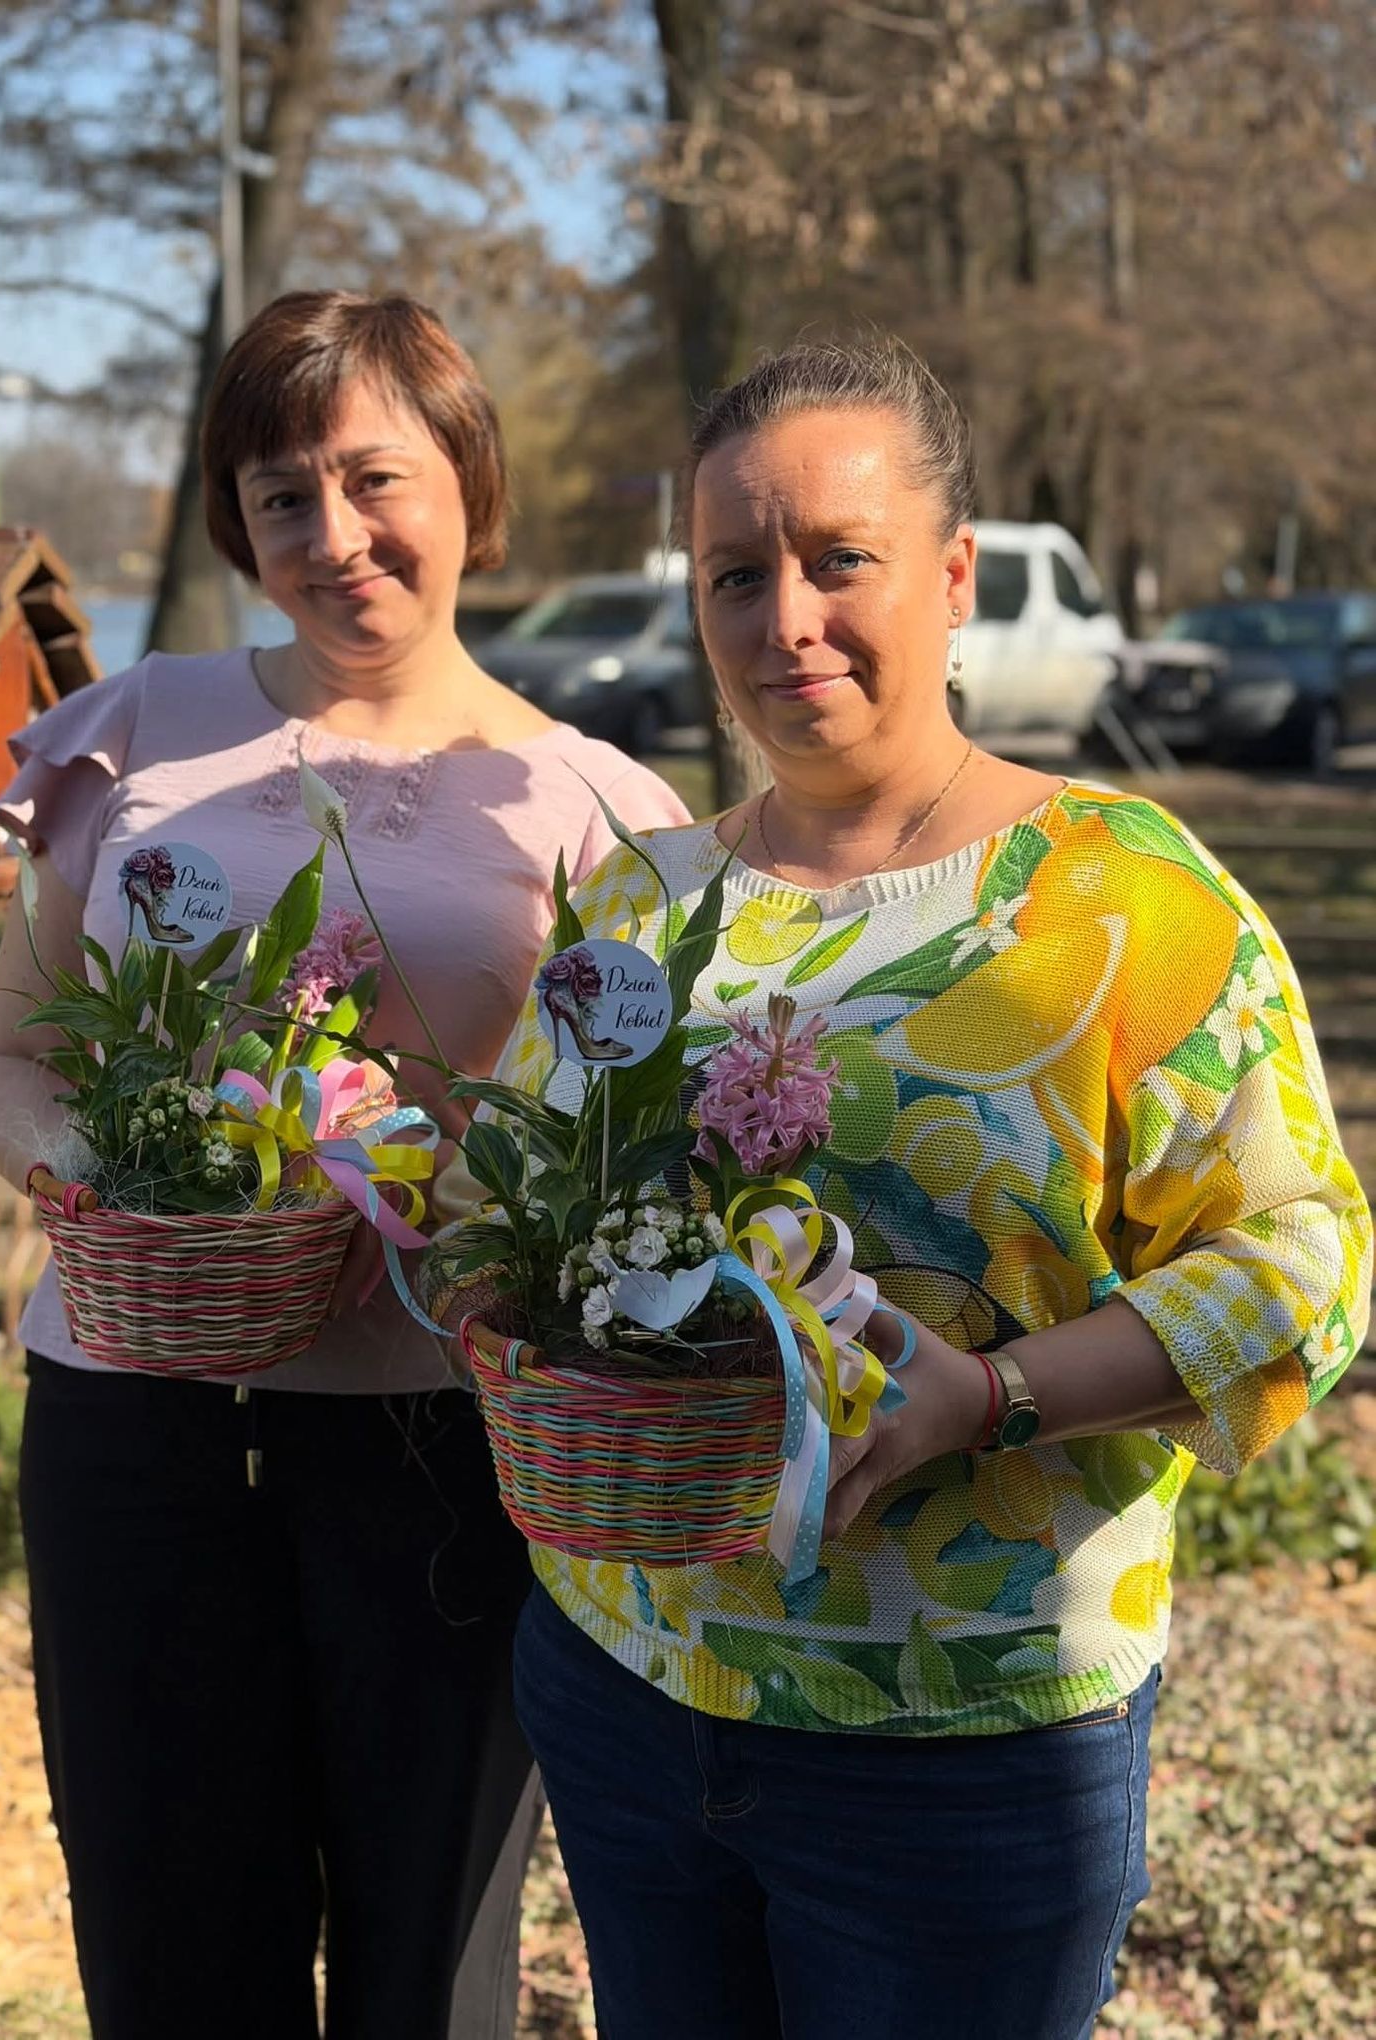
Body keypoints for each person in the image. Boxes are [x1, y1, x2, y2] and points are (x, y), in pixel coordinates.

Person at [476, 337, 1372, 2039]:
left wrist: (991, 1396)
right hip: (626, 1685)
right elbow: (515, 1200)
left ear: (953, 577)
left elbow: (1303, 1263)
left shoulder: (1121, 899)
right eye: (735, 576)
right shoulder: (637, 902)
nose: (785, 620)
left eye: (839, 559)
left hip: (964, 1740)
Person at [0, 289, 689, 2040]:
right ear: (237, 520)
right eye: (280, 495)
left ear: (466, 484)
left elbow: (615, 1152)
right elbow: (15, 1060)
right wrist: (126, 1181)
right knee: (167, 1951)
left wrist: (475, 1214)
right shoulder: (140, 728)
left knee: (426, 1965)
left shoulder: (601, 807)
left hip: (437, 1436)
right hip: (136, 1419)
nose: (333, 535)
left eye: (374, 479)